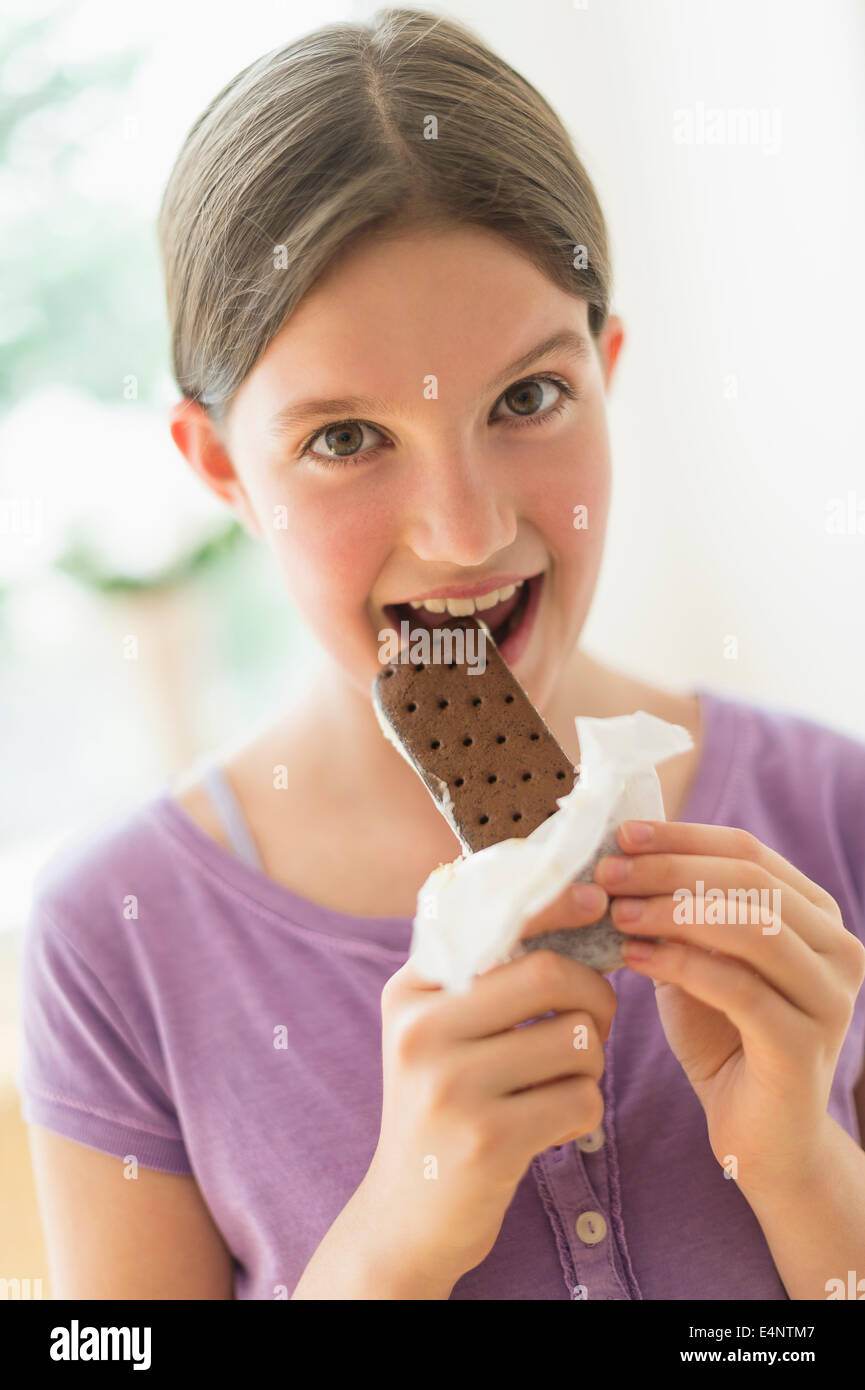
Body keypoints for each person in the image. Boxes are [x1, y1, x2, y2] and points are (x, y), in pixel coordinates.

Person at [18, 8, 865, 1301]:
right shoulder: (113, 944)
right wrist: (387, 1250)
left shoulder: (832, 814)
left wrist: (800, 1163)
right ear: (220, 469)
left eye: (526, 398)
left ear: (604, 368)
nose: (466, 531)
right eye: (345, 438)